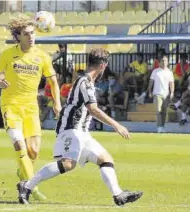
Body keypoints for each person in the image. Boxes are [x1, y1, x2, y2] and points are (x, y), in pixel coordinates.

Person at [17, 48, 143, 206]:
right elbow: (93, 109)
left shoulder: (87, 81)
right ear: (103, 65)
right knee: (68, 164)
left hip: (82, 132)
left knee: (106, 159)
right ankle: (26, 186)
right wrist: (117, 125)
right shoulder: (84, 82)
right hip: (71, 128)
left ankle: (118, 195)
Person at [0, 16, 61, 201]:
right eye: (26, 34)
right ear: (18, 36)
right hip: (11, 105)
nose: (31, 37)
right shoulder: (8, 54)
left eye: (33, 33)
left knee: (33, 151)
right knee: (19, 144)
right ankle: (31, 189)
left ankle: (22, 176)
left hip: (30, 108)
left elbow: (53, 81)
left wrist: (57, 103)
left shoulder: (42, 56)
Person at [148, 55, 174, 133]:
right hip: (157, 94)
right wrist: (149, 91)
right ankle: (159, 127)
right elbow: (151, 82)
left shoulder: (169, 72)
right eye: (162, 60)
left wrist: (172, 92)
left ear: (168, 62)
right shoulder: (155, 71)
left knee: (164, 111)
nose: (164, 62)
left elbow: (171, 83)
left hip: (166, 94)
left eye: (165, 60)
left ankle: (162, 126)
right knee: (159, 111)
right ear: (159, 62)